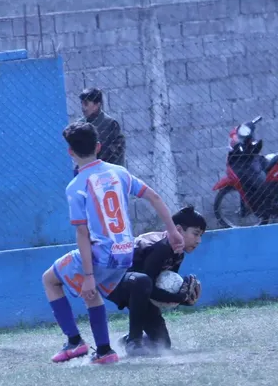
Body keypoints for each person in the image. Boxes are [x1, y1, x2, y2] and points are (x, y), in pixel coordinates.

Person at [42, 121, 183, 365]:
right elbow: (154, 196)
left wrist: (87, 274)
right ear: (98, 147)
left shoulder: (76, 186)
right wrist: (172, 230)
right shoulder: (120, 172)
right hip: (124, 253)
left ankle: (75, 342)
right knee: (92, 291)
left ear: (70, 152)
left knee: (50, 279)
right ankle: (105, 351)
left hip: (102, 254)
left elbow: (83, 233)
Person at [109, 206, 206, 356]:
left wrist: (182, 297)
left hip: (140, 288)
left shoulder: (178, 254)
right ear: (179, 230)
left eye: (201, 236)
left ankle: (126, 340)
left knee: (162, 344)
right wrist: (178, 298)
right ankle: (134, 341)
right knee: (142, 282)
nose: (199, 240)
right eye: (196, 234)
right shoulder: (160, 247)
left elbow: (161, 289)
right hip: (113, 282)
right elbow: (148, 286)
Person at [79, 87, 126, 167]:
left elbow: (117, 151)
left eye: (86, 104)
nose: (83, 108)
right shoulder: (80, 124)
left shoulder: (110, 124)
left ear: (97, 104)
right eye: (82, 103)